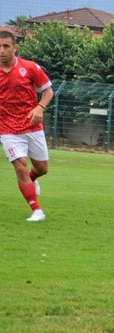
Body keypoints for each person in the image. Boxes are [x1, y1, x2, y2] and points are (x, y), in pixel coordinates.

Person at [0, 30, 54, 222]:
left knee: (42, 168)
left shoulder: (29, 67)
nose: (2, 50)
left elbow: (48, 91)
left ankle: (33, 179)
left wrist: (39, 108)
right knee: (20, 167)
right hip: (7, 130)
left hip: (32, 127)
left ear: (15, 48)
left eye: (6, 46)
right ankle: (37, 211)